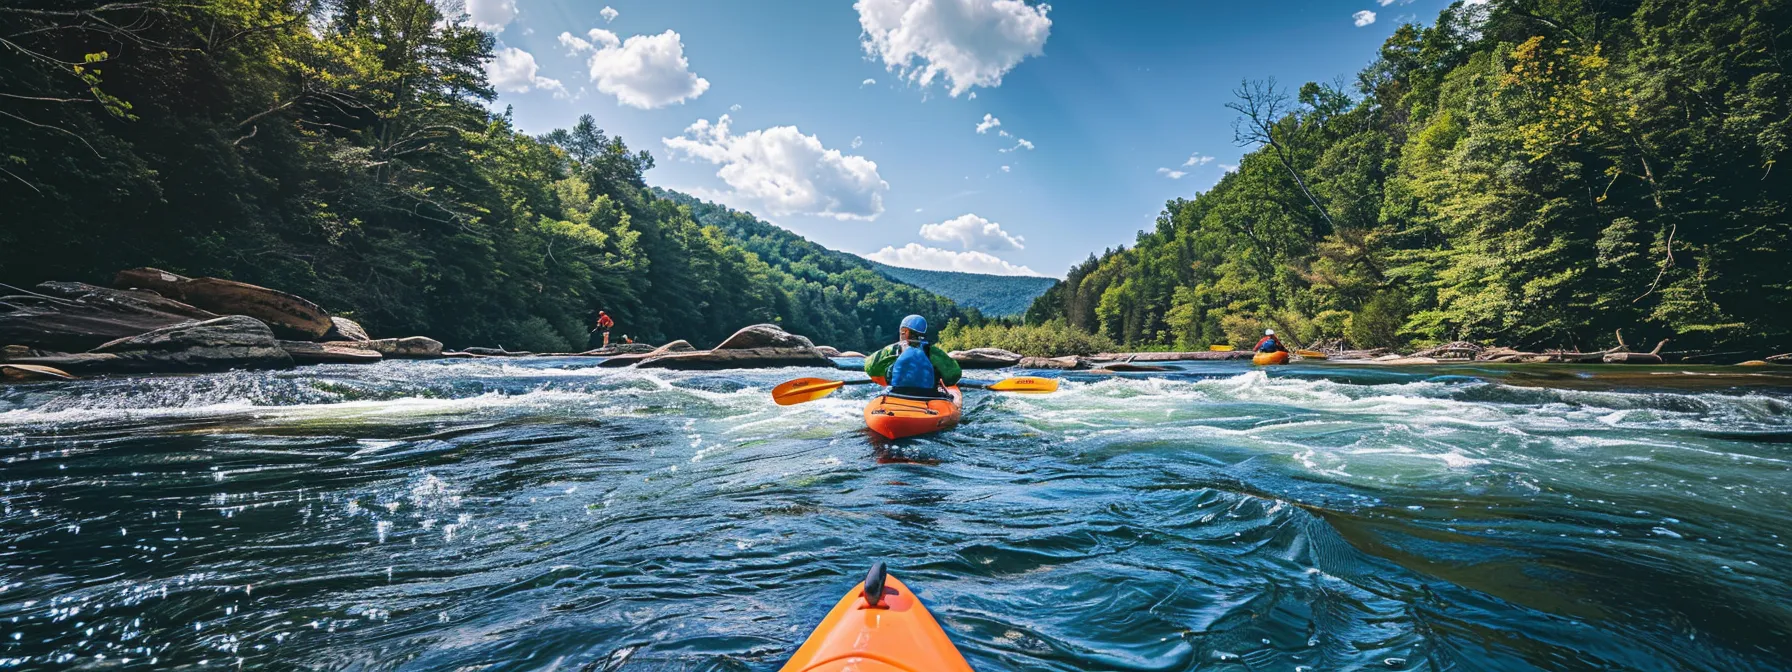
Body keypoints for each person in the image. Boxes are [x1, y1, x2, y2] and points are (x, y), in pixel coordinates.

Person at [864, 315, 962, 398]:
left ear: (905, 332)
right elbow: (954, 375)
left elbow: (870, 368)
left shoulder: (892, 350)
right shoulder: (934, 352)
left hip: (896, 394)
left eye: (901, 332)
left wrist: (885, 374)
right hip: (928, 396)